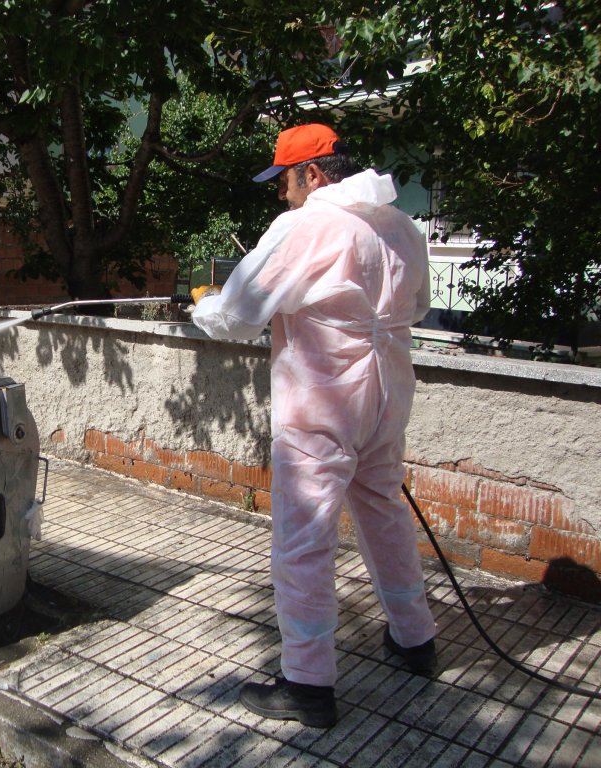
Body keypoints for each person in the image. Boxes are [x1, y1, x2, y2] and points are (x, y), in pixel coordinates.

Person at [190, 123, 437, 728]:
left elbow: (241, 313)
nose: (282, 194)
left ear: (315, 173)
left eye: (285, 181)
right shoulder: (403, 226)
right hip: (385, 397)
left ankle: (306, 683)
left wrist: (204, 306)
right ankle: (415, 641)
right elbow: (420, 305)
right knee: (382, 512)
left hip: (323, 402)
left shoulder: (306, 226)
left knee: (304, 540)